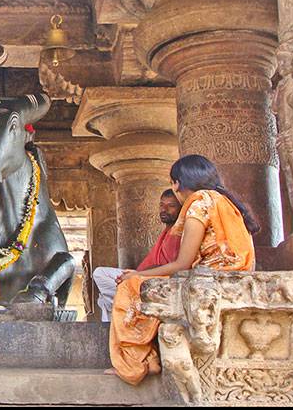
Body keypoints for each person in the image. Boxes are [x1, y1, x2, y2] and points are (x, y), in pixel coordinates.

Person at [108, 154, 258, 385]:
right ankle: (151, 359)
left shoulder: (199, 203)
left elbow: (182, 263)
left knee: (129, 287)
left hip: (211, 279)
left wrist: (137, 275)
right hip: (228, 276)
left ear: (176, 183)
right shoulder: (223, 201)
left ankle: (134, 363)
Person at [92, 189, 182, 321]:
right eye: (161, 205)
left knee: (105, 288)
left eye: (171, 206)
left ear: (181, 208)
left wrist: (137, 275)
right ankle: (126, 307)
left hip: (159, 282)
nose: (164, 209)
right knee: (101, 280)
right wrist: (133, 274)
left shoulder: (179, 233)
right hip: (141, 277)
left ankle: (128, 309)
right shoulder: (166, 232)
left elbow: (169, 267)